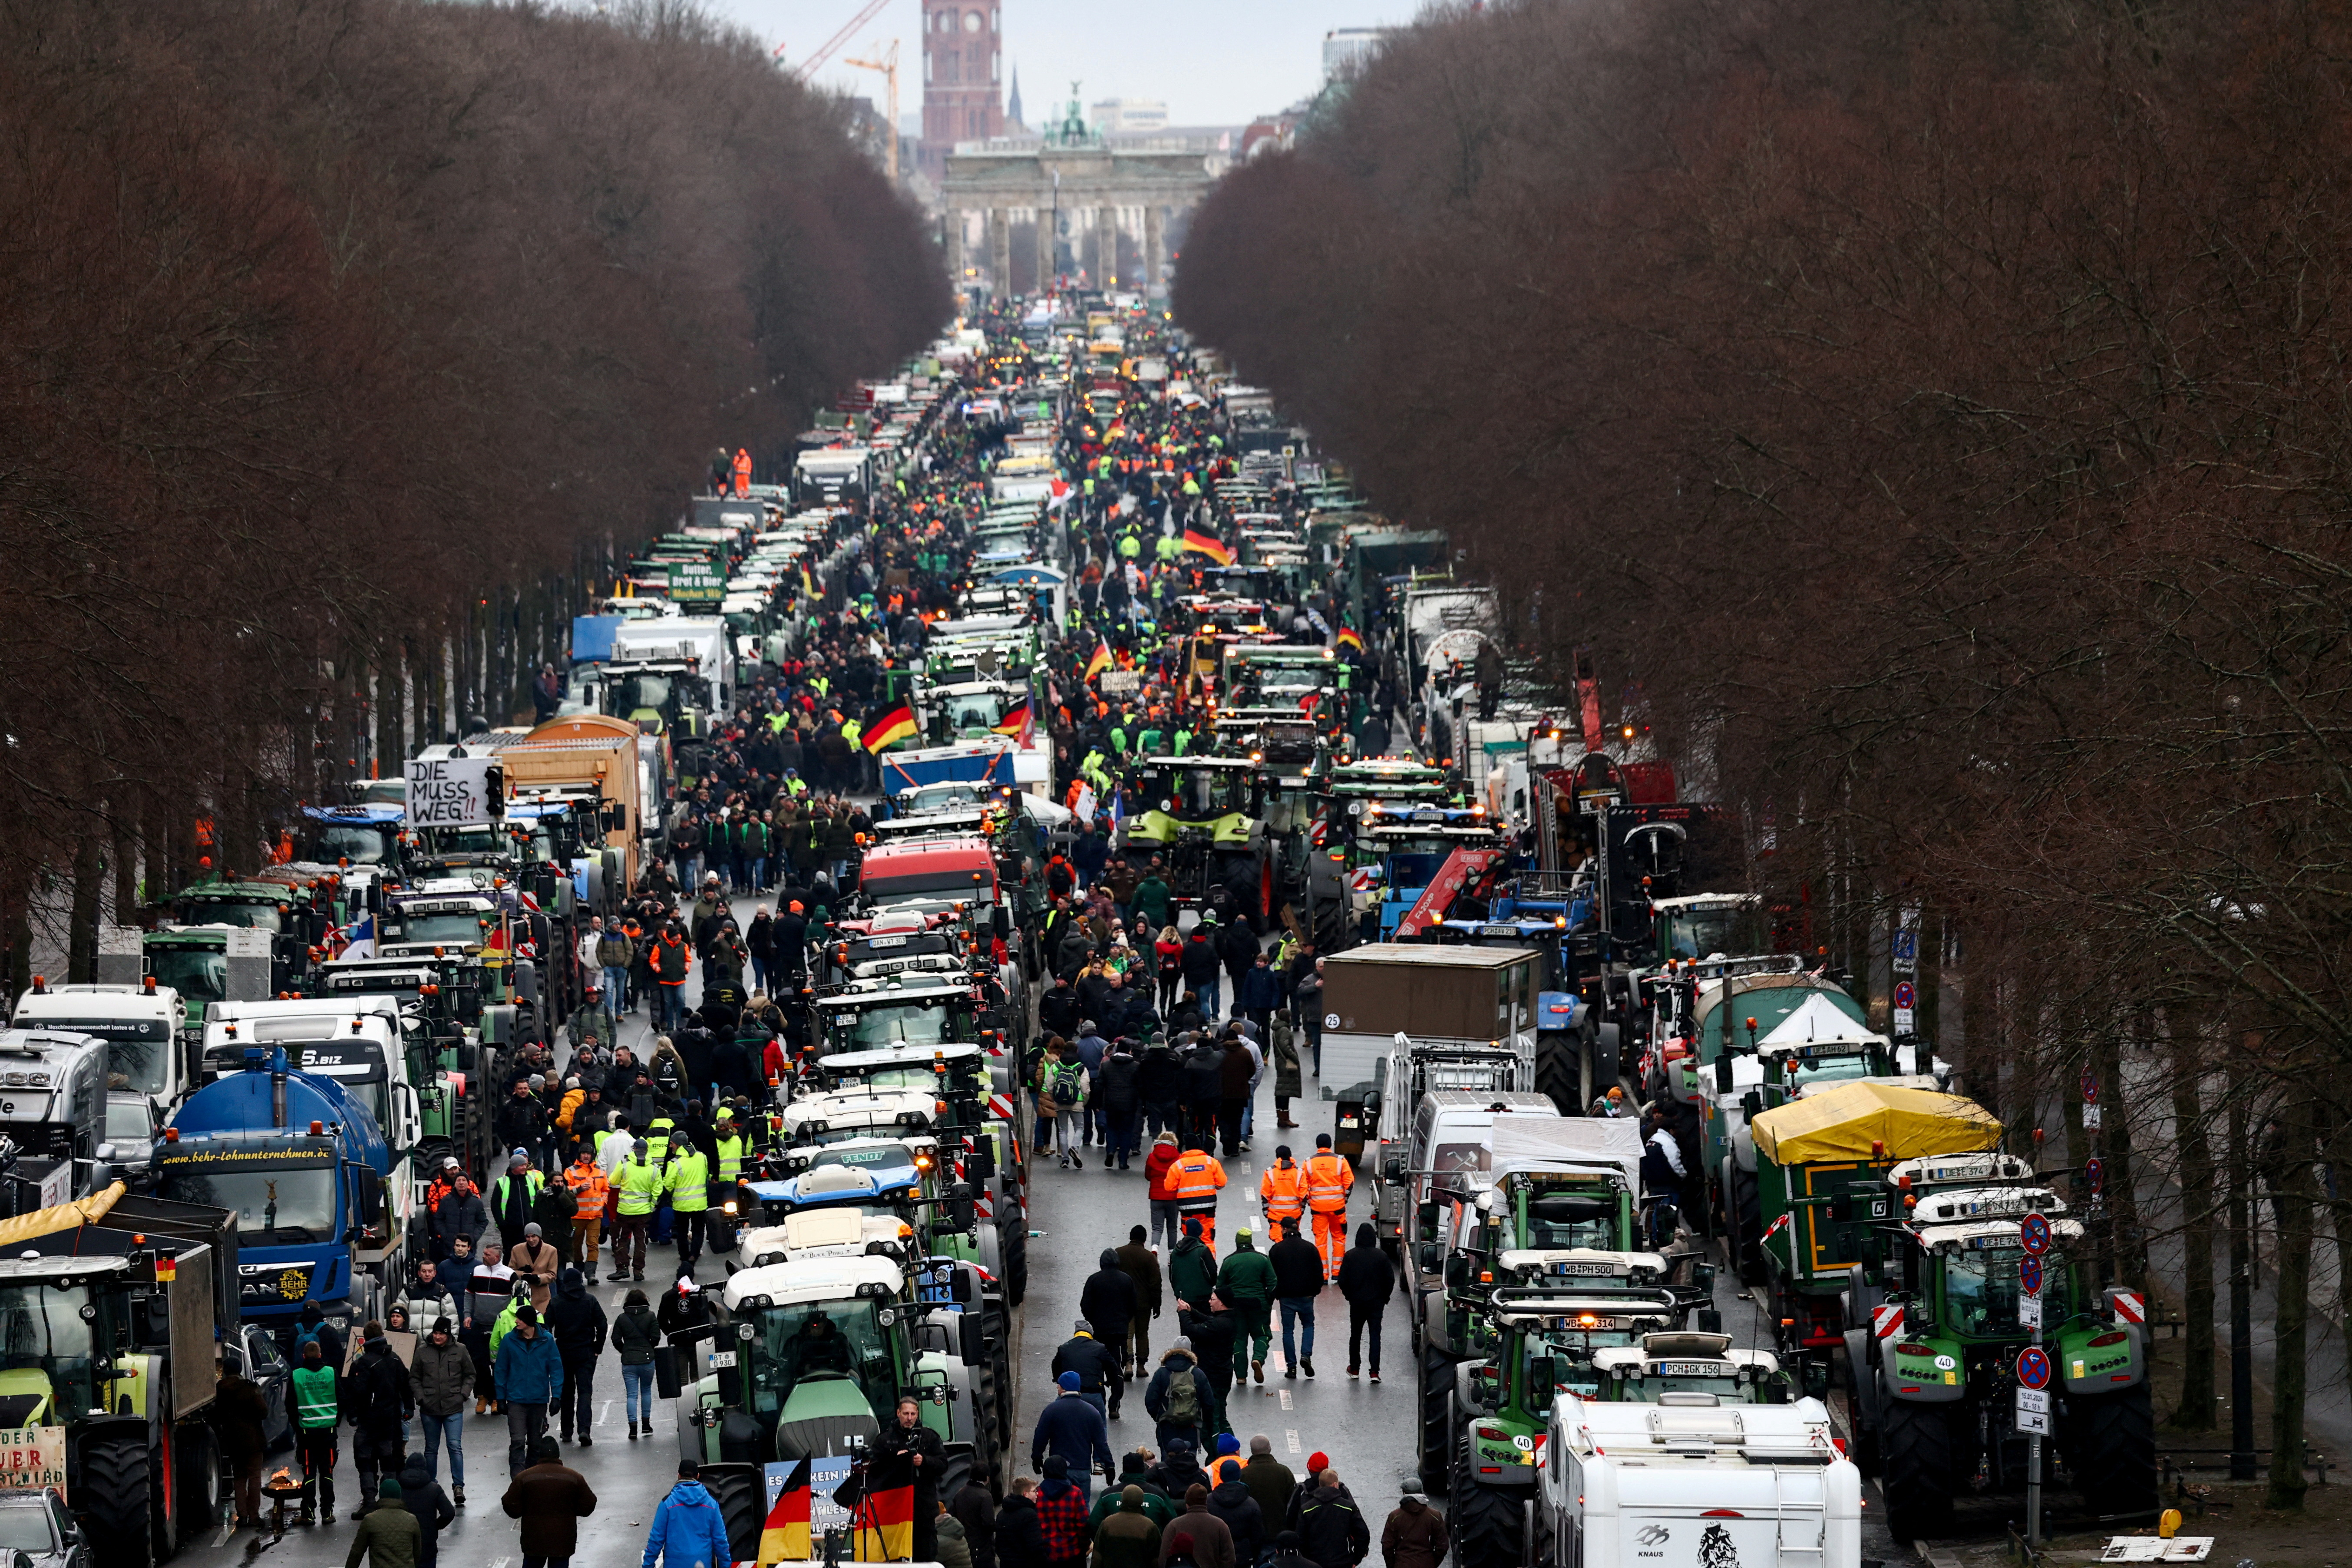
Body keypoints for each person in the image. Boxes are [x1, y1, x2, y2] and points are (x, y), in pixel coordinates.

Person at [346, 1321, 416, 1505]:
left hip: (369, 1421)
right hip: (391, 1421)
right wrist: (409, 1408)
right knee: (391, 1460)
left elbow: (356, 1392)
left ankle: (369, 1501)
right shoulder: (395, 1359)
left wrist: (353, 1415)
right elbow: (406, 1386)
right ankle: (390, 1499)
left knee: (365, 1461)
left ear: (365, 1339)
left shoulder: (363, 1364)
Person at [504, 1433, 599, 1568]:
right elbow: (589, 1504)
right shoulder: (574, 1477)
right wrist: (571, 1510)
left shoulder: (525, 1477)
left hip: (534, 1541)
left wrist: (525, 1510)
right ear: (558, 1455)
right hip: (563, 1541)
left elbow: (510, 1505)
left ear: (539, 1455)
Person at [872, 1395, 947, 1558]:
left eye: (913, 1414)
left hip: (924, 1510)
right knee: (896, 1557)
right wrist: (895, 1460)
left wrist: (924, 1461)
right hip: (895, 1511)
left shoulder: (930, 1437)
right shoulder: (885, 1440)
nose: (909, 1418)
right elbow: (873, 1470)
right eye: (906, 1414)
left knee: (926, 1556)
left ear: (918, 1414)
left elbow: (943, 1465)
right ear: (898, 1413)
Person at [496, 1305, 564, 1478]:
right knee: (517, 1441)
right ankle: (518, 1480)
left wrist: (557, 1396)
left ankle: (532, 1477)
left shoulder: (547, 1341)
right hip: (516, 1399)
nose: (516, 1321)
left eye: (520, 1319)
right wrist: (501, 1398)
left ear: (529, 1322)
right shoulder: (509, 1341)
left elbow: (556, 1369)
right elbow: (501, 1369)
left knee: (535, 1443)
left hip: (538, 1400)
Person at [413, 1316, 475, 1504]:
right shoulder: (422, 1351)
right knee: (431, 1449)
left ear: (449, 1335)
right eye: (436, 1333)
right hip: (429, 1409)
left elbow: (470, 1375)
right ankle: (431, 1485)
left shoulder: (461, 1350)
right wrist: (421, 1398)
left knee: (454, 1447)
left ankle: (459, 1486)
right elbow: (414, 1377)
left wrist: (463, 1395)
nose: (438, 1337)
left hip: (453, 1408)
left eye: (442, 1334)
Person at [547, 1266, 607, 1445]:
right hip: (586, 1352)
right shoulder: (590, 1300)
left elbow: (546, 1327)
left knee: (567, 1394)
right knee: (585, 1392)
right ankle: (584, 1430)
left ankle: (567, 1431)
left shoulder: (556, 1302)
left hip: (563, 1353)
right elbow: (602, 1325)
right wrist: (598, 1347)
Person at [1033, 1371, 1114, 1495]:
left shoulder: (1052, 1410)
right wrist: (1109, 1466)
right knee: (1083, 1505)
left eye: (1059, 1385)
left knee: (1059, 1506)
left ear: (1065, 1387)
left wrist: (1037, 1457)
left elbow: (1041, 1436)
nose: (1057, 1387)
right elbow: (1101, 1443)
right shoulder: (1092, 1412)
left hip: (1058, 1469)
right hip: (1082, 1468)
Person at [1213, 1228, 1277, 1386]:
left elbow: (1220, 1286)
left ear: (1237, 1242)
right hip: (1258, 1304)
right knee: (1262, 1335)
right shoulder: (1262, 1259)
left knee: (1239, 1338)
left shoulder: (1229, 1261)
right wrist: (1268, 1301)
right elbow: (1273, 1283)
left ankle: (1241, 1376)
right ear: (1250, 1241)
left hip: (1236, 1305)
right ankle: (1258, 1358)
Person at [214, 1351, 271, 1530]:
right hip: (253, 1440)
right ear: (240, 1370)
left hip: (233, 1441)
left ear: (225, 1371)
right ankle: (254, 1516)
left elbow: (217, 1416)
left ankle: (243, 1516)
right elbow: (263, 1412)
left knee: (239, 1478)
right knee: (254, 1477)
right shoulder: (249, 1388)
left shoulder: (220, 1390)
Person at [641, 1459, 731, 1568]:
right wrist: (725, 1566)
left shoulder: (668, 1504)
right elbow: (721, 1541)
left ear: (679, 1476)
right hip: (702, 1564)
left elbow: (656, 1539)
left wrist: (648, 1565)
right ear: (698, 1476)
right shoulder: (712, 1505)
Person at [293, 1336, 343, 1523]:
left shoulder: (297, 1375)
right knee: (327, 1472)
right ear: (320, 1355)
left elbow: (291, 1405)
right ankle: (328, 1513)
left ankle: (308, 1514)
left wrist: (298, 1427)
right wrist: (335, 1422)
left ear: (304, 1356)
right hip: (328, 1433)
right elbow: (341, 1398)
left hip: (306, 1434)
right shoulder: (331, 1373)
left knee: (309, 1473)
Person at [1336, 1223, 1394, 1381]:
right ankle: (1374, 1371)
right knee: (1375, 1336)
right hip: (1376, 1303)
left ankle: (1355, 1369)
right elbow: (1390, 1280)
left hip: (1357, 1303)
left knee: (1355, 1335)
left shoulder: (1351, 1256)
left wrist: (1350, 1296)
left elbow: (1342, 1280)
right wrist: (1384, 1298)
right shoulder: (1381, 1256)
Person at [1268, 1221, 1325, 1378]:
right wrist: (1316, 1290)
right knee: (1308, 1326)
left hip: (1287, 1297)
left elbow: (1271, 1275)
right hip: (1306, 1296)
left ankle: (1291, 1367)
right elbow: (1319, 1271)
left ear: (1285, 1229)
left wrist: (1275, 1294)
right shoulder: (1310, 1248)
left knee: (1288, 1331)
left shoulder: (1277, 1249)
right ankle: (1306, 1356)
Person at [1143, 1341, 1214, 1458]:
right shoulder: (1198, 1374)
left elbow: (1150, 1401)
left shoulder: (1162, 1373)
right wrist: (1202, 1421)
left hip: (1168, 1429)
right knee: (1189, 1465)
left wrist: (1161, 1417)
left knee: (1168, 1467)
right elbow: (1209, 1403)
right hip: (1191, 1428)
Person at [1055, 1316, 1127, 1421]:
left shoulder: (1064, 1348)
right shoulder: (1100, 1348)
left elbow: (1056, 1367)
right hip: (1093, 1392)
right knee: (1100, 1423)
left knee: (1056, 1417)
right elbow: (1112, 1368)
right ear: (1091, 1334)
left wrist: (1059, 1380)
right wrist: (1111, 1381)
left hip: (1069, 1393)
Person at [614, 1287, 664, 1439]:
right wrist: (649, 1347)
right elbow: (656, 1337)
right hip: (647, 1360)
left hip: (629, 1362)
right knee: (647, 1391)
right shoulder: (650, 1316)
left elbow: (615, 1339)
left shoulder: (622, 1318)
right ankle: (647, 1426)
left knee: (632, 1395)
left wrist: (626, 1351)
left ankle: (633, 1429)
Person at [1303, 1134, 1354, 1281]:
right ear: (1331, 1145)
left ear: (1317, 1145)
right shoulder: (1340, 1161)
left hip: (1318, 1209)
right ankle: (1337, 1273)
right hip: (1338, 1209)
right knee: (1339, 1238)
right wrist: (1344, 1199)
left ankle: (1323, 1275)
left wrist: (1310, 1200)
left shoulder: (1309, 1163)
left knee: (1321, 1241)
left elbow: (1303, 1186)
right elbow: (1349, 1183)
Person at [1295, 1469, 1370, 1568]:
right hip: (1343, 1562)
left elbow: (1300, 1539)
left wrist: (1306, 1560)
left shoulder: (1307, 1509)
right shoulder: (1348, 1507)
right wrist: (1356, 1559)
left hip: (1315, 1563)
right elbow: (1363, 1534)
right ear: (1335, 1485)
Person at [1115, 1225, 1164, 1375]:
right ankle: (1141, 1367)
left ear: (1131, 1237)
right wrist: (1157, 1305)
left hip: (1124, 1303)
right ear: (1144, 1240)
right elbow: (1156, 1283)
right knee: (1142, 1334)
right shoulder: (1149, 1257)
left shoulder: (1119, 1253)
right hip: (1144, 1303)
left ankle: (1128, 1364)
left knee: (1128, 1334)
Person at [612, 1138, 663, 1281]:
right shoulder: (654, 1168)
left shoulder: (624, 1165)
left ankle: (622, 1268)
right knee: (641, 1240)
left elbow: (613, 1181)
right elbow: (657, 1190)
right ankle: (638, 1271)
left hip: (625, 1211)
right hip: (644, 1212)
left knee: (623, 1239)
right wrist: (651, 1207)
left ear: (634, 1150)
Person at [395, 1452, 457, 1568]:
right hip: (427, 1545)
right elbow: (449, 1513)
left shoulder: (397, 1488)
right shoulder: (434, 1489)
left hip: (401, 1544)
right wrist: (435, 1526)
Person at [344, 1479, 422, 1567]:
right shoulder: (412, 1520)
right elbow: (417, 1552)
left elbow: (357, 1552)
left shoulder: (370, 1520)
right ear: (399, 1495)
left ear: (381, 1496)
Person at [1035, 1456, 1092, 1568]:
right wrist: (1085, 1546)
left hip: (1046, 1555)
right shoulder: (1075, 1494)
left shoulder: (1037, 1495)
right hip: (1071, 1554)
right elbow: (1083, 1525)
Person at [1169, 1143, 1227, 1250]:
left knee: (1189, 1239)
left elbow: (1169, 1187)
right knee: (1208, 1239)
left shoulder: (1178, 1165)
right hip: (1208, 1209)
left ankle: (1192, 1263)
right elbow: (1222, 1183)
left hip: (1187, 1209)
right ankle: (1210, 1264)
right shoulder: (1211, 1162)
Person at [1207, 1464, 1266, 1568]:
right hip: (1243, 1556)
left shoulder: (1209, 1501)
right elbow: (1257, 1536)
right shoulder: (1251, 1504)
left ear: (1221, 1476)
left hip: (1216, 1554)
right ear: (1239, 1476)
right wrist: (1252, 1556)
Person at [1378, 1479, 1447, 1568]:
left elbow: (1387, 1546)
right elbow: (1443, 1546)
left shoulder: (1395, 1517)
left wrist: (1393, 1565)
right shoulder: (1434, 1516)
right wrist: (1432, 1563)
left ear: (1404, 1493)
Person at [1090, 1484, 1163, 1568]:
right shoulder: (1149, 1526)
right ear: (1141, 1501)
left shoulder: (1108, 1523)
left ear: (1123, 1499)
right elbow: (1156, 1558)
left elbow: (1098, 1556)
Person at [1166, 1485, 1236, 1568]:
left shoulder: (1174, 1525)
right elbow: (1229, 1559)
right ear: (1206, 1502)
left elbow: (1164, 1557)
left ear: (1187, 1502)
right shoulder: (1220, 1525)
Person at [1238, 1436, 1295, 1535]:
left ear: (1252, 1451)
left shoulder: (1244, 1474)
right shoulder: (1284, 1472)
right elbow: (1293, 1502)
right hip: (1280, 1530)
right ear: (1270, 1449)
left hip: (1253, 1531)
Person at [564, 1146, 608, 1270]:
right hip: (577, 1216)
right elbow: (565, 1191)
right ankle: (578, 1270)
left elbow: (606, 1190)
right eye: (583, 1153)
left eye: (589, 1154)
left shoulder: (600, 1171)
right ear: (579, 1155)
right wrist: (579, 1188)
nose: (586, 1156)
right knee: (576, 1245)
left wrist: (603, 1202)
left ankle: (591, 1274)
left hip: (595, 1216)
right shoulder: (570, 1171)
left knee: (593, 1245)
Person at [996, 1477, 1050, 1568]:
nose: (1037, 1494)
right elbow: (1036, 1548)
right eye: (1034, 1491)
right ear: (1026, 1494)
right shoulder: (1030, 1515)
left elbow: (999, 1546)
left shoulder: (1002, 1514)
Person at [952, 1468, 1000, 1568]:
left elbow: (953, 1514)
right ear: (987, 1478)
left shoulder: (960, 1493)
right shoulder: (985, 1496)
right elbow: (989, 1522)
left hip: (965, 1542)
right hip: (982, 1546)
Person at [1144, 1132, 1184, 1250]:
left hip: (1156, 1197)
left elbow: (1148, 1176)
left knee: (1157, 1227)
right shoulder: (1178, 1157)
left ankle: (1155, 1248)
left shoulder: (1152, 1156)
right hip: (1173, 1198)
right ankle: (1172, 1253)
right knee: (1172, 1228)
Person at [512, 1222, 562, 1313]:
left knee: (541, 1324)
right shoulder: (516, 1250)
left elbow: (552, 1274)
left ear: (539, 1236)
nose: (531, 1240)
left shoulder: (551, 1251)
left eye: (534, 1236)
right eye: (528, 1237)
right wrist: (523, 1274)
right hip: (522, 1298)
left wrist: (538, 1278)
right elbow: (510, 1272)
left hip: (542, 1298)